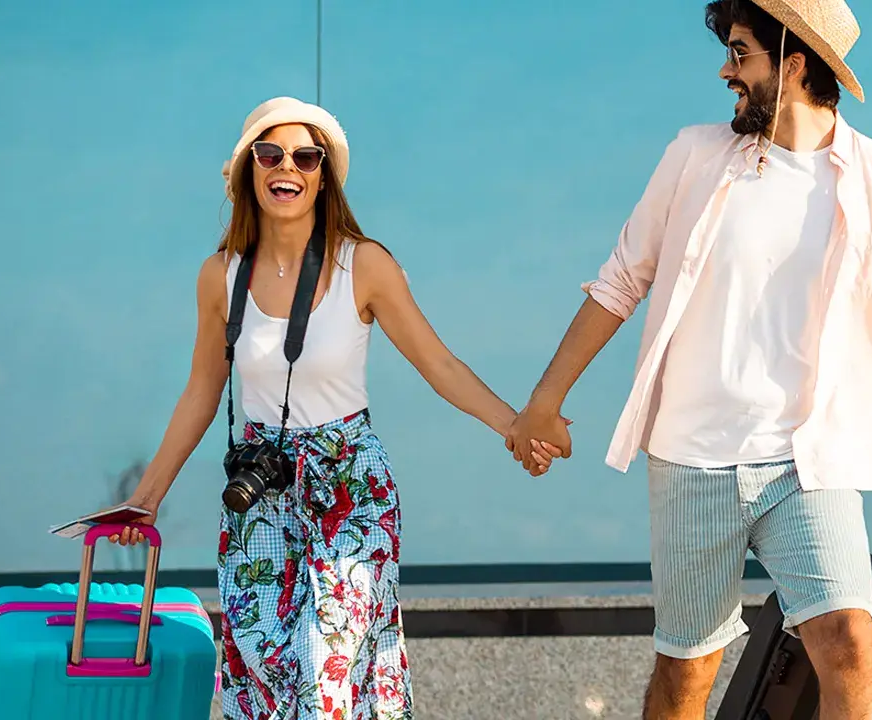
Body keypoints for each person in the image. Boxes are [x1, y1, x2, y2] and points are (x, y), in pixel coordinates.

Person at [504, 2, 872, 718]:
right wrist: (545, 401)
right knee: (686, 673)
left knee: (850, 645)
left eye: (741, 53)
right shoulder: (694, 158)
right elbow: (620, 282)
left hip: (810, 464)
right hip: (693, 457)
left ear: (793, 63)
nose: (725, 71)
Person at [103, 96, 561, 720]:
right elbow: (202, 391)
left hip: (351, 488)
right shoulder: (220, 276)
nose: (286, 167)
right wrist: (147, 497)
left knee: (327, 674)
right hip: (261, 494)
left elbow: (440, 364)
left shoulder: (362, 264)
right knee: (266, 679)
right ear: (249, 171)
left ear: (323, 176)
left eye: (305, 156)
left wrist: (514, 426)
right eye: (270, 154)